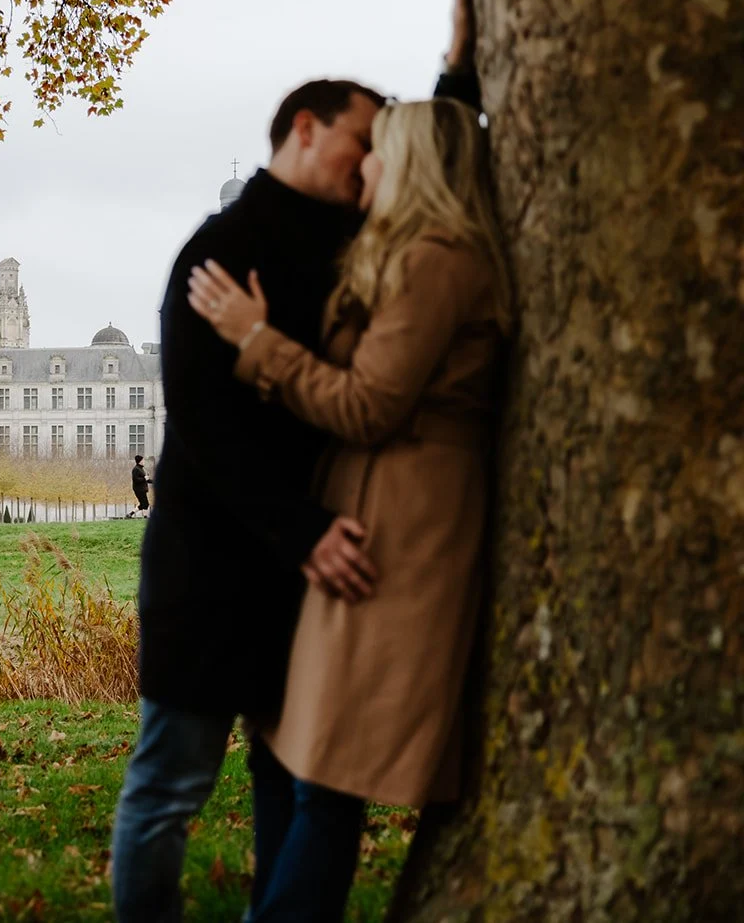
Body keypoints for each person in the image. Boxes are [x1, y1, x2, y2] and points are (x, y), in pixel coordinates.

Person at [110, 0, 482, 923]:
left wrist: (459, 63)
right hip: (215, 568)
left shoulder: (359, 242)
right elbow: (208, 429)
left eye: (377, 156)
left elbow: (432, 160)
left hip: (301, 574)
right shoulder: (217, 254)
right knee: (170, 789)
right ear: (304, 130)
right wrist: (303, 529)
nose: (370, 167)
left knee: (297, 779)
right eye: (359, 144)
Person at [188, 97, 511, 921]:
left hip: (396, 527)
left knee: (332, 774)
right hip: (368, 507)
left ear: (406, 167)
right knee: (301, 755)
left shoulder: (439, 260)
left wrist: (256, 338)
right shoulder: (407, 251)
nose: (360, 162)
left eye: (376, 150)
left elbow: (371, 403)